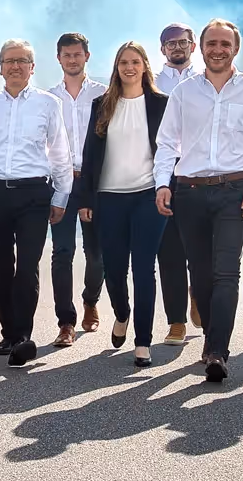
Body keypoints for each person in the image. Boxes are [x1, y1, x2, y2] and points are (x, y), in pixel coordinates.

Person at [154, 19, 243, 384]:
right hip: (189, 191)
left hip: (233, 191)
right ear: (202, 48)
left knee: (226, 271)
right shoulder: (184, 92)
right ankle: (211, 336)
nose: (218, 49)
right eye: (212, 43)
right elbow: (167, 141)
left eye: (225, 44)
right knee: (201, 272)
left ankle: (218, 350)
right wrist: (162, 184)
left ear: (235, 49)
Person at [0, 40, 74, 366]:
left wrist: (61, 195)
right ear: (0, 67)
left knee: (27, 267)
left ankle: (22, 337)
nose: (15, 66)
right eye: (9, 61)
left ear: (32, 66)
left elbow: (60, 153)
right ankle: (10, 333)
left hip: (34, 195)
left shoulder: (48, 104)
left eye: (22, 61)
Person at [67, 41, 171, 365]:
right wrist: (86, 198)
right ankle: (122, 312)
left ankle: (143, 342)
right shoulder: (102, 105)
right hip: (108, 198)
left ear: (144, 66)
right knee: (113, 268)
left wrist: (169, 188)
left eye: (135, 62)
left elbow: (171, 149)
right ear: (117, 67)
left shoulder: (161, 104)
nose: (129, 67)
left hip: (147, 195)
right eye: (124, 62)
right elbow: (89, 154)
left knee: (144, 268)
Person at [46, 32, 102, 340]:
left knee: (96, 253)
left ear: (87, 56)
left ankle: (90, 300)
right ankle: (65, 322)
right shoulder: (49, 98)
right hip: (61, 182)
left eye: (77, 54)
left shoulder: (104, 94)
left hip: (94, 182)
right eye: (66, 55)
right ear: (58, 58)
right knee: (62, 251)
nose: (72, 59)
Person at [153, 22, 199, 343]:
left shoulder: (206, 81)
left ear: (193, 46)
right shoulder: (152, 84)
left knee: (199, 249)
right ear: (163, 49)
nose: (177, 47)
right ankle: (176, 322)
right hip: (163, 172)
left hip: (198, 174)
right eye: (171, 43)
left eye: (183, 42)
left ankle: (198, 293)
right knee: (169, 252)